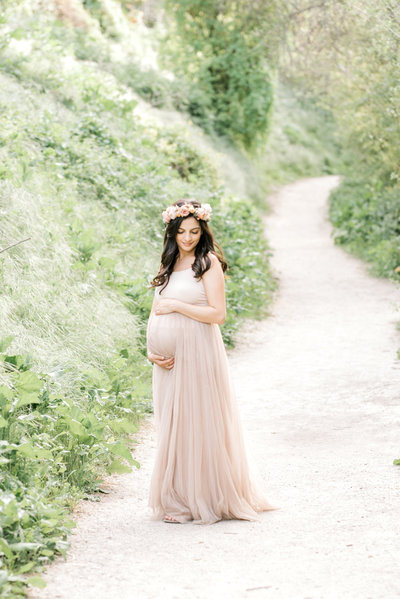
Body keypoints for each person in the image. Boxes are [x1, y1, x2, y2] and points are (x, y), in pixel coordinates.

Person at [146, 198, 278, 524]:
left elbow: (217, 315)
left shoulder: (207, 263)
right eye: (181, 232)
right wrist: (150, 350)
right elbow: (155, 310)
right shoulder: (168, 265)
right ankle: (177, 498)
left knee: (196, 422)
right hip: (167, 361)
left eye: (193, 231)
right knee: (172, 426)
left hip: (198, 353)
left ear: (202, 230)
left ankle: (201, 498)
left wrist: (177, 305)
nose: (187, 238)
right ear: (172, 233)